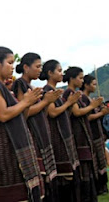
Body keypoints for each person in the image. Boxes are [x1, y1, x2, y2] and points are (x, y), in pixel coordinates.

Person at [0, 47, 44, 201]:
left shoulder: (3, 87)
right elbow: (3, 115)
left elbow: (19, 117)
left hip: (12, 146)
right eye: (10, 63)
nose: (12, 67)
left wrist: (26, 104)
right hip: (3, 148)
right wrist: (24, 101)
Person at [12, 53, 59, 200]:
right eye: (37, 66)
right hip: (31, 136)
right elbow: (23, 112)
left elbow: (40, 112)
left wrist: (45, 102)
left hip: (41, 135)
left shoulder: (33, 87)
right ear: (26, 67)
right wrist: (45, 102)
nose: (40, 69)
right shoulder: (20, 84)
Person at [40, 60, 81, 201]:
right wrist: (69, 103)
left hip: (63, 135)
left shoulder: (56, 92)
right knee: (63, 181)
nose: (61, 73)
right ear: (50, 73)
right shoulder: (47, 91)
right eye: (58, 70)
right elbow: (52, 113)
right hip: (56, 137)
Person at [62, 67, 102, 202]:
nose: (82, 80)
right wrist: (93, 107)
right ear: (72, 79)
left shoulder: (76, 93)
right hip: (78, 138)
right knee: (83, 173)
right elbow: (77, 112)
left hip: (84, 137)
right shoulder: (69, 93)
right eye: (80, 77)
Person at [81, 74, 109, 195]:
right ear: (86, 85)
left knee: (101, 161)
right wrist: (101, 113)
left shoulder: (90, 99)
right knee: (96, 162)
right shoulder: (82, 99)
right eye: (93, 84)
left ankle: (102, 187)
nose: (95, 86)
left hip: (97, 134)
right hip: (91, 135)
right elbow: (87, 117)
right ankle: (98, 188)